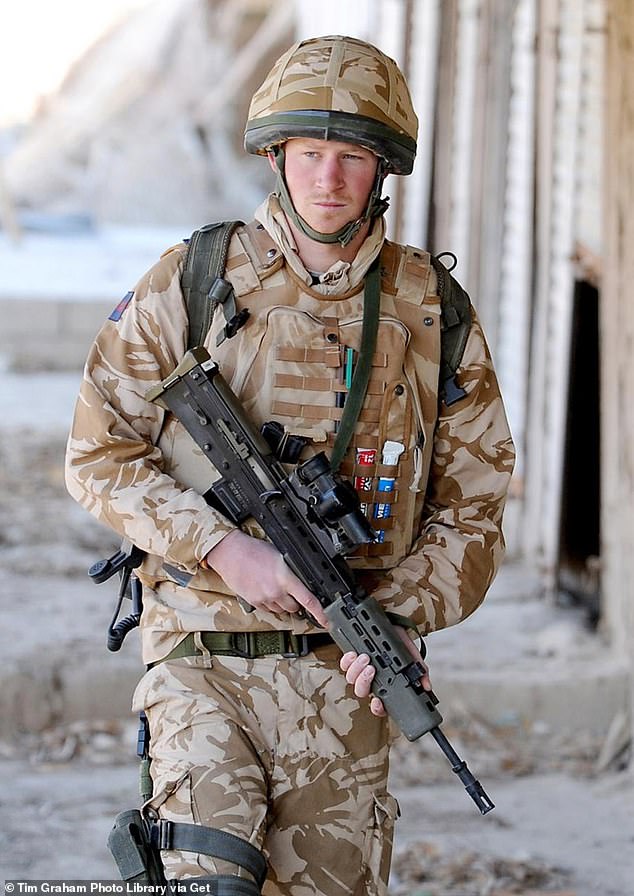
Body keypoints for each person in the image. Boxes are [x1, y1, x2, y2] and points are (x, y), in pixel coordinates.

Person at [65, 35, 515, 895]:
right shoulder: (194, 279)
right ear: (277, 155)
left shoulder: (432, 310)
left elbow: (478, 506)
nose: (329, 179)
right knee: (208, 878)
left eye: (352, 158)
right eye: (311, 154)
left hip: (343, 680)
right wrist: (223, 547)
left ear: (382, 169)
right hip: (202, 656)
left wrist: (404, 618)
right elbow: (97, 453)